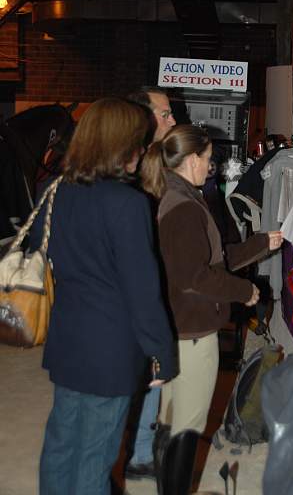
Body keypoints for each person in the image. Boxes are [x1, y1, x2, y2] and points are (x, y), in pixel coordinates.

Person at [31, 98, 176, 495]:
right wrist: (162, 352)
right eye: (138, 142)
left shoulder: (54, 190)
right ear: (120, 145)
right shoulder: (127, 204)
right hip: (110, 349)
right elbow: (143, 291)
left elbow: (36, 248)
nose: (142, 150)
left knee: (60, 444)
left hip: (67, 338)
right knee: (95, 457)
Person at [141, 124, 283, 437]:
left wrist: (260, 245)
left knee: (171, 419)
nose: (210, 167)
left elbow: (209, 260)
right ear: (191, 160)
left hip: (180, 326)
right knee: (187, 427)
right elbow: (195, 275)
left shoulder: (176, 196)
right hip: (193, 330)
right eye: (207, 159)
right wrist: (244, 290)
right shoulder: (186, 207)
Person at [124, 86, 176, 482]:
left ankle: (142, 448)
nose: (172, 120)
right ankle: (137, 451)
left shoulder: (156, 159)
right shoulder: (126, 169)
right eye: (165, 113)